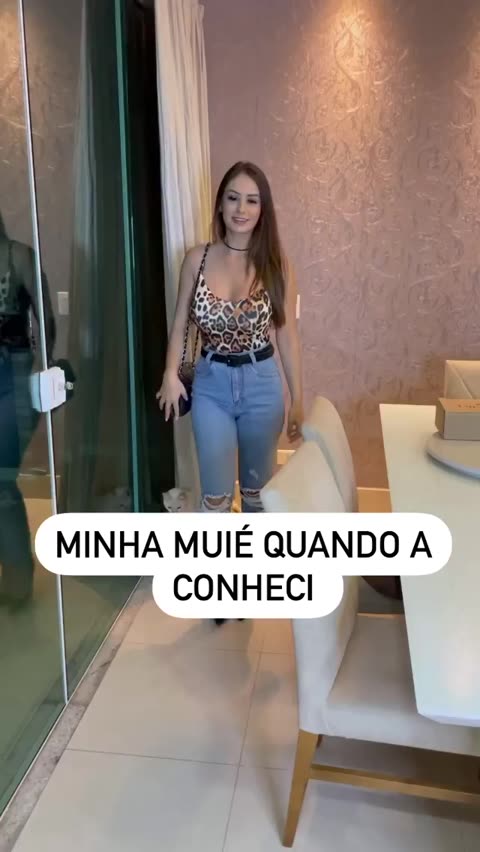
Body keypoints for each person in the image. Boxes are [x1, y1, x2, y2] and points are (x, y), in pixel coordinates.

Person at [157, 161, 304, 519]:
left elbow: (287, 335)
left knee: (258, 496)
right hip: (211, 385)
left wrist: (298, 399)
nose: (241, 209)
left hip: (262, 386)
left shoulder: (278, 265)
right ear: (220, 203)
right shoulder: (197, 259)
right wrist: (170, 373)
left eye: (252, 200)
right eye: (233, 198)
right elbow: (180, 324)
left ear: (263, 209)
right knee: (216, 501)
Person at [0, 213, 55, 611]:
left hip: (13, 373)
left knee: (2, 481)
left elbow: (45, 318)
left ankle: (18, 579)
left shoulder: (18, 256)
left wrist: (43, 371)